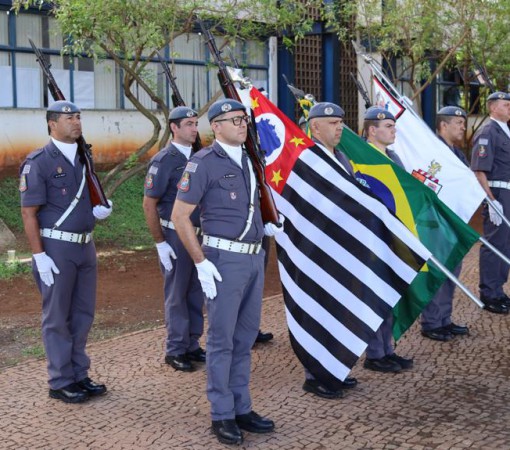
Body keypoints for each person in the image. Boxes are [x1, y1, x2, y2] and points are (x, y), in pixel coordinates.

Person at [171, 99, 283, 446]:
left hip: (252, 259)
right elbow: (179, 217)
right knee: (221, 341)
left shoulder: (250, 160)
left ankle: (241, 406)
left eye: (243, 120)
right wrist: (201, 262)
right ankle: (221, 413)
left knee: (245, 338)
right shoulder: (203, 163)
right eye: (233, 120)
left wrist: (265, 225)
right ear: (215, 127)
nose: (241, 125)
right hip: (223, 261)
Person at [19, 100, 112, 403]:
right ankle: (60, 381)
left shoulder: (85, 157)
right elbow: (29, 213)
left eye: (78, 117)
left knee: (83, 314)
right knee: (57, 317)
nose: (76, 122)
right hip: (56, 248)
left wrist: (100, 206)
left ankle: (79, 374)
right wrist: (39, 255)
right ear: (52, 123)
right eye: (69, 118)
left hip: (85, 246)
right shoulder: (39, 161)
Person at [300, 102, 358, 399]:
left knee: (339, 311)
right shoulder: (307, 159)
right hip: (316, 248)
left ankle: (336, 369)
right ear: (315, 127)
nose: (340, 128)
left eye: (341, 122)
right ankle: (315, 375)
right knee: (318, 311)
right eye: (333, 122)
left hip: (342, 248)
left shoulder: (343, 158)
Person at [143, 106, 205, 372]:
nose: (194, 129)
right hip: (175, 234)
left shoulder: (201, 157)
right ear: (174, 128)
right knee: (177, 293)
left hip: (199, 234)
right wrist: (160, 242)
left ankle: (192, 344)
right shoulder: (163, 161)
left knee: (195, 291)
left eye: (195, 123)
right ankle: (176, 349)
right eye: (189, 124)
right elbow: (149, 204)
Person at [361, 107, 414, 373]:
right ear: (372, 131)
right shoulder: (361, 159)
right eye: (389, 126)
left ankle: (387, 349)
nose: (394, 131)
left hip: (394, 237)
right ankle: (374, 354)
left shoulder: (393, 157)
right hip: (373, 236)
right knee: (375, 295)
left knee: (390, 293)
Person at [421, 106, 470, 340]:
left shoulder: (457, 153)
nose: (463, 127)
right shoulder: (435, 153)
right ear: (443, 125)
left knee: (452, 271)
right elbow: (427, 183)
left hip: (455, 222)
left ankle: (444, 319)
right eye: (458, 123)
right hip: (438, 223)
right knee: (439, 273)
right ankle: (431, 323)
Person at [471, 91, 510, 315]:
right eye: (506, 105)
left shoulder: (505, 130)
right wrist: (491, 200)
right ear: (493, 107)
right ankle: (489, 293)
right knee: (494, 243)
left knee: (505, 244)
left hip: (507, 193)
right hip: (497, 193)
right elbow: (478, 171)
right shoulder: (488, 131)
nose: (509, 108)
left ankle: (498, 290)